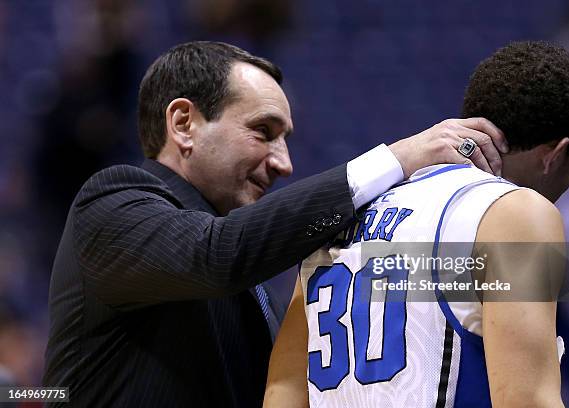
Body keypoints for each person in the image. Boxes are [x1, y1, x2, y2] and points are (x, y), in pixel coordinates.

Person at [42, 41, 507, 407]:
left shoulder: (248, 260)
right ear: (183, 123)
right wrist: (396, 158)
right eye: (263, 131)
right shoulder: (110, 204)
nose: (284, 163)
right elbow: (219, 255)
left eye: (285, 139)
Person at [264, 41, 569, 408]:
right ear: (554, 155)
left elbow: (282, 394)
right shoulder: (518, 213)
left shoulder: (340, 214)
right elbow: (527, 400)